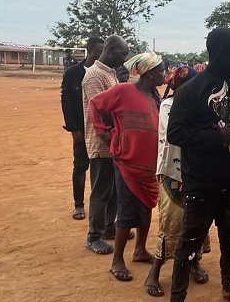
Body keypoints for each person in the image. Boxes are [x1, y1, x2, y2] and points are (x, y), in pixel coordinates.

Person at [167, 27, 230, 302]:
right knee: (187, 247)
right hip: (201, 186)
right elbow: (175, 133)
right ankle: (177, 296)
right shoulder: (191, 90)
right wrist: (218, 137)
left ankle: (228, 287)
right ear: (223, 52)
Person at [89, 52, 165, 282]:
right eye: (161, 70)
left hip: (149, 166)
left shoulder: (155, 97)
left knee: (146, 207)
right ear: (150, 73)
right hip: (127, 164)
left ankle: (140, 250)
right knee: (127, 211)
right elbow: (95, 104)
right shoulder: (123, 91)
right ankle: (117, 261)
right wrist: (103, 132)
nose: (164, 74)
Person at [144, 66, 210, 297]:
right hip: (173, 173)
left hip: (196, 173)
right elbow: (181, 136)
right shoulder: (168, 106)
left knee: (198, 220)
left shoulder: (198, 105)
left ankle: (193, 262)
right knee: (171, 222)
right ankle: (155, 271)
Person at [82, 35, 129, 254]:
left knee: (114, 191)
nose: (124, 58)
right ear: (109, 50)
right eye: (122, 53)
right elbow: (99, 111)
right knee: (101, 191)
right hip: (102, 143)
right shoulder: (94, 76)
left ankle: (110, 226)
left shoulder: (110, 74)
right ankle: (94, 236)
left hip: (115, 142)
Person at [61, 36, 104, 220]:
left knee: (100, 169)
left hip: (101, 131)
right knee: (80, 166)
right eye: (99, 51)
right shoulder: (73, 73)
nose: (101, 55)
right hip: (81, 129)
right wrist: (74, 130)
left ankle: (99, 207)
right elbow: (67, 102)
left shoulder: (107, 73)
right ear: (91, 50)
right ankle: (78, 205)